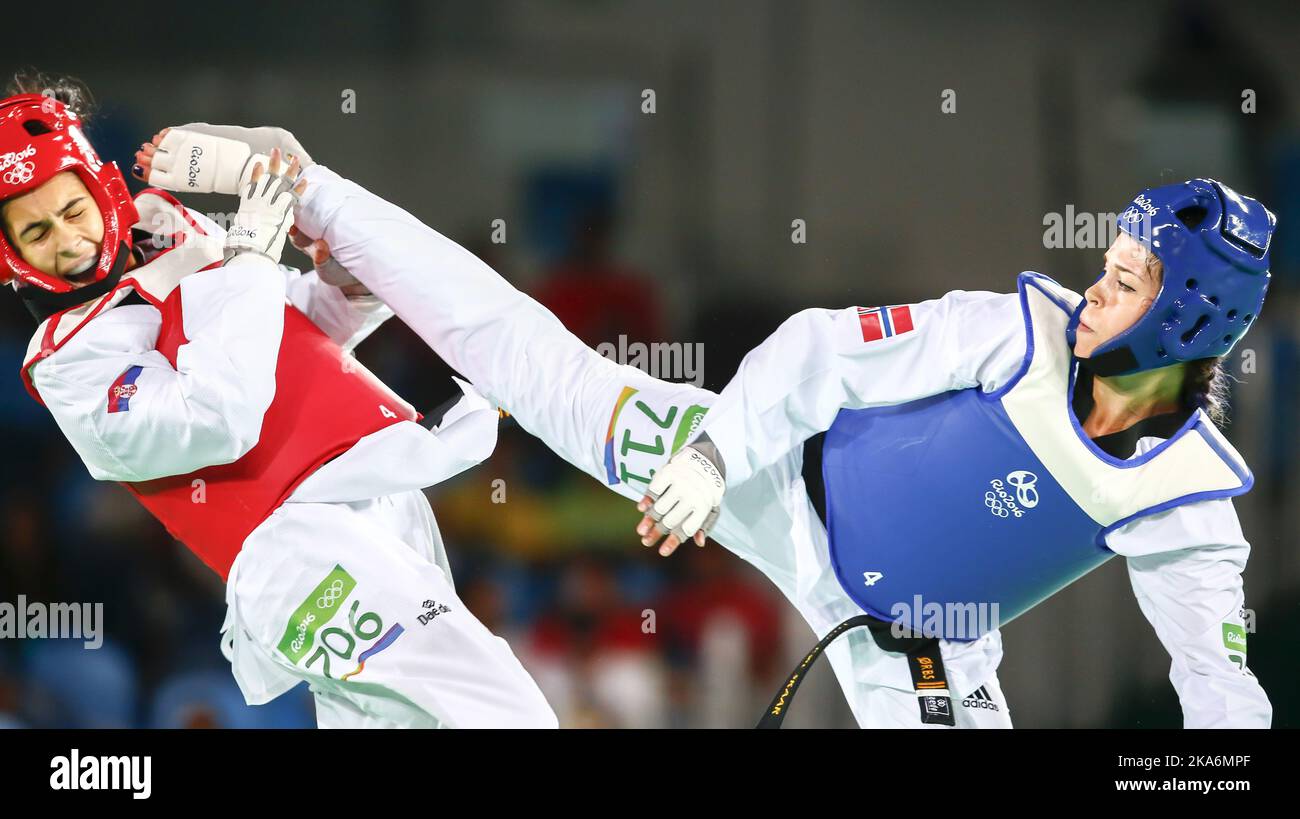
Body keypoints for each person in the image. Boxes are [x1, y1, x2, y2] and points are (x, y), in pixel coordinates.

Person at [144, 125, 1272, 728]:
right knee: (537, 368)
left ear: (1187, 318)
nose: (1096, 291)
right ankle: (314, 185)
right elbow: (820, 349)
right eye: (1108, 264)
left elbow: (1218, 692)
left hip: (917, 641)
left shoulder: (1189, 505)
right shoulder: (1015, 327)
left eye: (1126, 283)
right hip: (770, 471)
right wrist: (715, 451)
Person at [2, 79, 555, 729]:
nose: (66, 240)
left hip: (374, 494)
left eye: (73, 210)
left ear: (101, 188)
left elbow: (286, 326)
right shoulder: (69, 362)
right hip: (299, 547)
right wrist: (250, 257)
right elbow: (219, 415)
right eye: (35, 231)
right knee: (503, 709)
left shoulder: (165, 226)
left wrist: (348, 278)